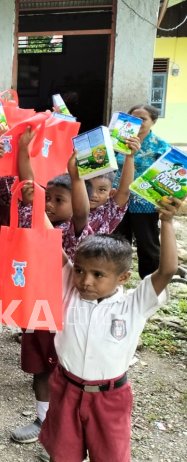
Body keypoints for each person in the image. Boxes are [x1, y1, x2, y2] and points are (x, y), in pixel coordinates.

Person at [39, 197, 182, 462]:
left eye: (98, 274)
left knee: (110, 457)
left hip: (110, 397)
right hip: (66, 389)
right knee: (62, 455)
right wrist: (35, 203)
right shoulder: (70, 288)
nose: (85, 280)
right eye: (80, 270)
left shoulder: (134, 305)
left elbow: (167, 270)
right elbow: (50, 243)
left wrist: (167, 221)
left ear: (123, 277)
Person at [9, 127, 91, 452]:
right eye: (50, 199)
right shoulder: (36, 220)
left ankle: (67, 427)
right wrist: (23, 151)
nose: (51, 206)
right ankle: (43, 419)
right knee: (40, 368)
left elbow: (82, 211)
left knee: (65, 372)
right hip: (37, 309)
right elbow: (30, 186)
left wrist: (76, 176)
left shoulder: (77, 231)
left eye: (60, 200)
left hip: (66, 315)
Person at [113, 104, 171, 278]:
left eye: (143, 119)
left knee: (148, 244)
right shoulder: (118, 142)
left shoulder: (160, 146)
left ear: (153, 121)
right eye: (134, 118)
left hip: (145, 203)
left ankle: (150, 284)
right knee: (117, 243)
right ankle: (114, 280)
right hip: (118, 200)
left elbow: (170, 173)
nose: (138, 123)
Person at [87, 135, 139, 235]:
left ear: (111, 193)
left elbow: (124, 191)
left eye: (101, 190)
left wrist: (130, 156)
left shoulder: (109, 212)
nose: (93, 194)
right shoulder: (69, 207)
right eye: (88, 187)